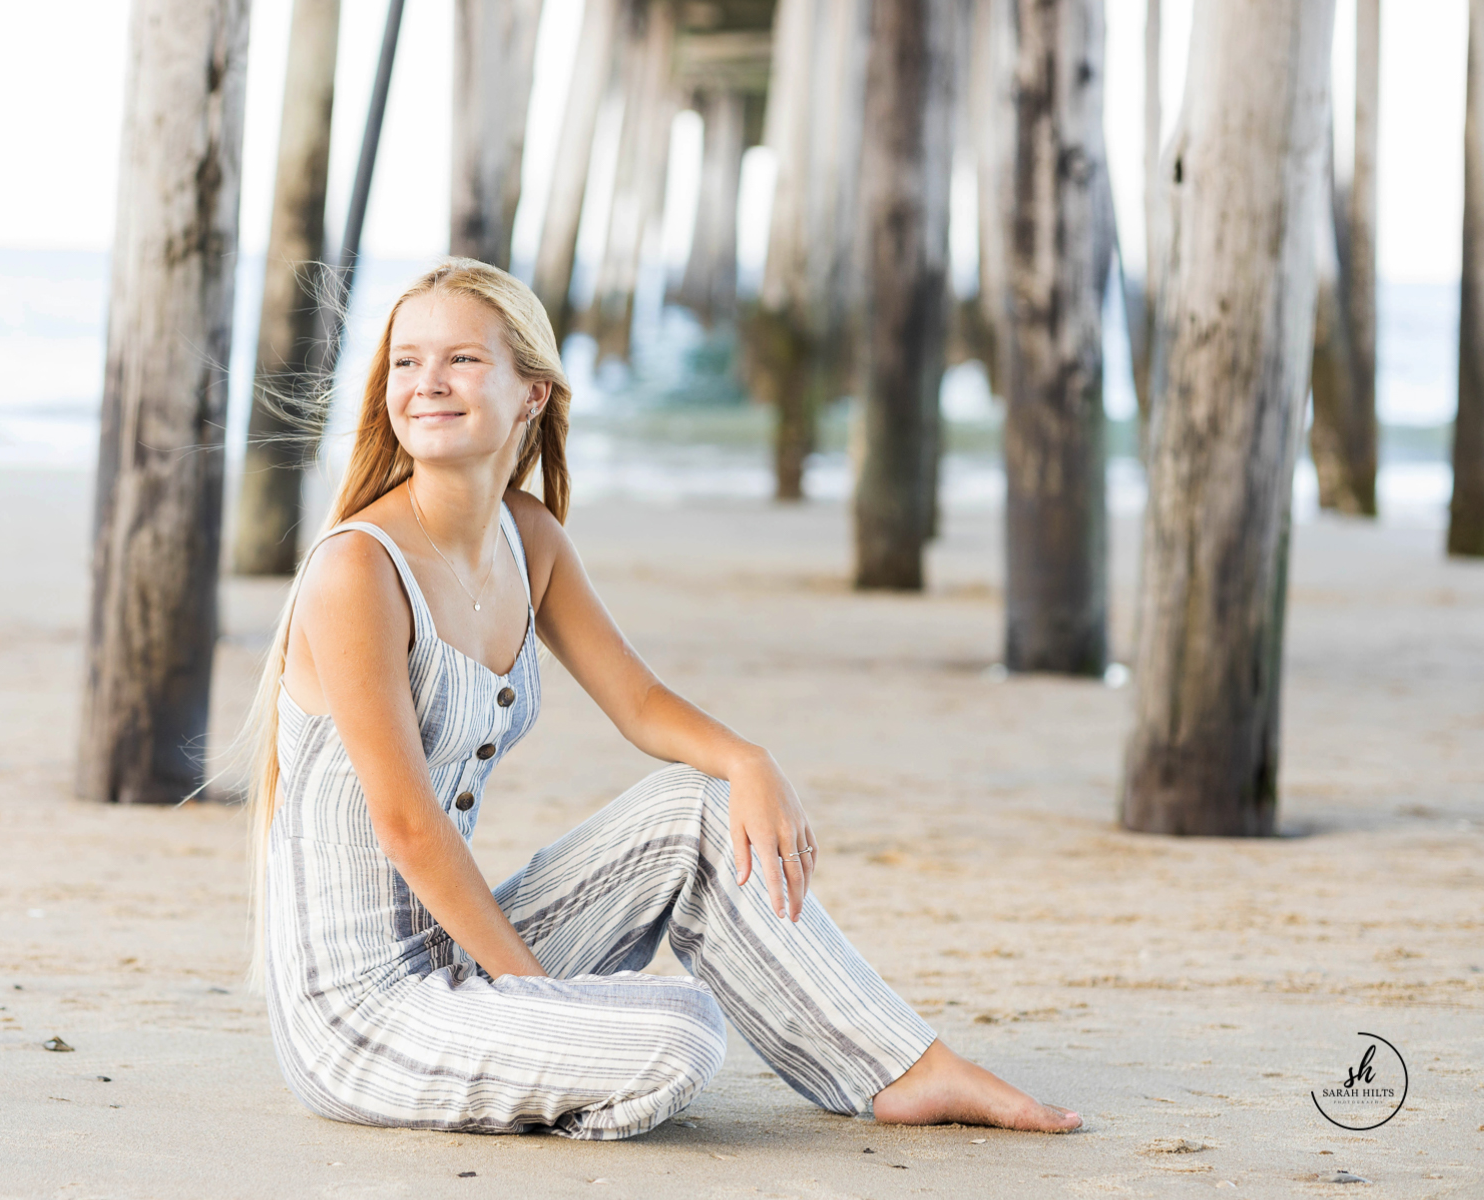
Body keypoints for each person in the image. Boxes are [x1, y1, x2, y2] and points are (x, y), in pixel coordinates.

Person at [242, 258, 1082, 1140]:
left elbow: (639, 701)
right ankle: (559, 1045)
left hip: (457, 959)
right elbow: (407, 825)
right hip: (361, 1014)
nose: (427, 384)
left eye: (462, 360)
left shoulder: (529, 538)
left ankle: (903, 1069)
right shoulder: (357, 570)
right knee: (682, 1031)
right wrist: (537, 998)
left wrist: (750, 761)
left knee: (697, 809)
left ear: (532, 392)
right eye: (406, 363)